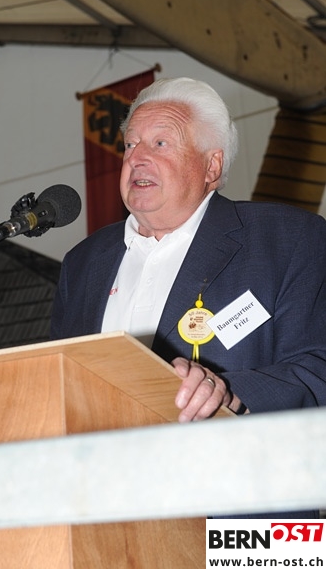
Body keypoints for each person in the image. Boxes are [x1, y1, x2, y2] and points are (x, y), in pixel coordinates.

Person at [50, 77, 326, 516]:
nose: (137, 157)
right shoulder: (84, 263)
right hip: (107, 518)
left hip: (249, 521)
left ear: (211, 167)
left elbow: (318, 368)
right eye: (131, 144)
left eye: (160, 143)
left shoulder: (288, 239)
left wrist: (229, 394)